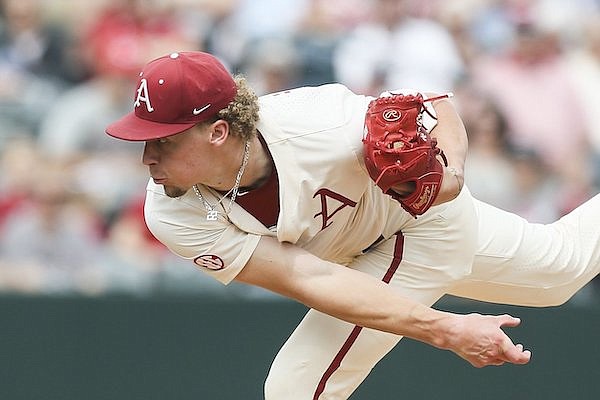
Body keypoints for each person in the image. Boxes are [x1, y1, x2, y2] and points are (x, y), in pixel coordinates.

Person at [105, 51, 600, 399]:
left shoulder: (321, 123)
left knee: (297, 388)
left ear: (217, 132)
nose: (147, 155)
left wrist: (451, 173)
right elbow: (307, 277)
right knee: (560, 272)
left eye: (164, 140)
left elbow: (433, 102)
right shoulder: (171, 211)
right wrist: (448, 328)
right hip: (355, 256)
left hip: (423, 227)